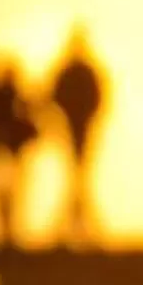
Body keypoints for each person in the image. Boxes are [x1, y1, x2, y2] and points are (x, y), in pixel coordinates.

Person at [46, 26, 104, 245]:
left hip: (81, 128)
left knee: (78, 177)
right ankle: (78, 226)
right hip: (72, 128)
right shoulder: (74, 71)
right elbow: (54, 95)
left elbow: (98, 99)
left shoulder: (80, 71)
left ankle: (74, 225)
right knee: (77, 176)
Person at [0, 54, 37, 249]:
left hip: (9, 153)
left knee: (8, 192)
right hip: (7, 153)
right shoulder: (10, 98)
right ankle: (5, 229)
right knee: (6, 192)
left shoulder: (4, 97)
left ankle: (7, 229)